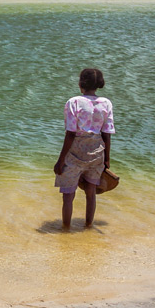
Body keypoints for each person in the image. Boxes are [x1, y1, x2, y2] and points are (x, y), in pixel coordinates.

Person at [53, 69, 115, 229]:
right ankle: (88, 226)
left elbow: (71, 134)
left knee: (68, 196)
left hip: (76, 152)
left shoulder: (73, 102)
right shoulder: (106, 103)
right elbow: (107, 134)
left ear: (81, 83)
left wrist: (60, 161)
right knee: (91, 192)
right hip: (97, 152)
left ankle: (66, 229)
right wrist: (107, 159)